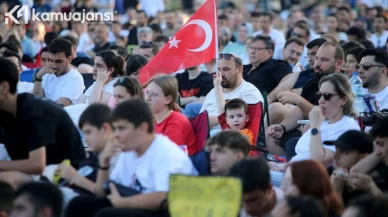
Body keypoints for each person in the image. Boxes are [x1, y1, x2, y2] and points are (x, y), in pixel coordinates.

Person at [65, 99, 197, 217]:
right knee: (79, 204)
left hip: (170, 211)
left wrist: (123, 203)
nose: (116, 135)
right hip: (138, 205)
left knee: (107, 214)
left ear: (142, 128)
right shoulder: (128, 151)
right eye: (115, 129)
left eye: (121, 128)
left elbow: (165, 198)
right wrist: (104, 163)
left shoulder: (165, 152)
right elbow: (103, 192)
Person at [269, 73, 360, 184]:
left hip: (310, 182)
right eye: (319, 95)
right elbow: (303, 157)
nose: (321, 100)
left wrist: (315, 125)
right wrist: (281, 166)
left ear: (343, 100)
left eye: (327, 96)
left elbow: (319, 162)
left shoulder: (347, 126)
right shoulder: (326, 123)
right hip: (293, 173)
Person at [0, 57, 86, 174]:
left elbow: (36, 165)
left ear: (4, 87)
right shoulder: (6, 110)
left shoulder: (31, 110)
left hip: (68, 171)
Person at [266, 42, 344, 156]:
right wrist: (283, 127)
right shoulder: (313, 81)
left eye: (324, 60)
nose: (317, 63)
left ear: (338, 64)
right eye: (317, 58)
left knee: (307, 128)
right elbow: (299, 111)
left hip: (328, 136)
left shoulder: (341, 85)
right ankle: (284, 164)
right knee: (271, 134)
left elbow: (324, 118)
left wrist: (297, 99)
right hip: (308, 132)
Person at [56, 104, 113, 203]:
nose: (85, 139)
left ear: (105, 128)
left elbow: (104, 193)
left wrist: (75, 177)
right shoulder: (91, 157)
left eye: (88, 132)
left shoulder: (114, 158)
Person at [200, 53, 263, 135]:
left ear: (239, 69)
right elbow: (199, 123)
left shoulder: (249, 91)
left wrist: (210, 120)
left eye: (226, 69)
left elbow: (249, 128)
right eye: (219, 69)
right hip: (205, 136)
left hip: (230, 139)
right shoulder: (213, 92)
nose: (221, 74)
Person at [145, 75, 197, 155]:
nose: (147, 98)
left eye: (154, 94)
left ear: (168, 99)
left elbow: (166, 156)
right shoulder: (152, 120)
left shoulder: (176, 122)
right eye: (147, 93)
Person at [326, 130, 374, 205]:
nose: (335, 156)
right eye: (336, 149)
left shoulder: (369, 185)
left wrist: (337, 190)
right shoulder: (327, 173)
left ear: (363, 157)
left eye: (344, 152)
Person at [33, 38, 85, 107]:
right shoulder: (47, 74)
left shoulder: (75, 78)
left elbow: (59, 106)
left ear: (69, 59)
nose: (54, 65)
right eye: (51, 60)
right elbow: (36, 100)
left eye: (58, 61)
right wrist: (39, 77)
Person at [214, 68, 254, 144]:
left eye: (239, 116)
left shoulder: (247, 133)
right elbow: (220, 102)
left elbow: (244, 149)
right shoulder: (225, 126)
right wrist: (217, 84)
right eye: (231, 117)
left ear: (247, 118)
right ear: (227, 120)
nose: (236, 120)